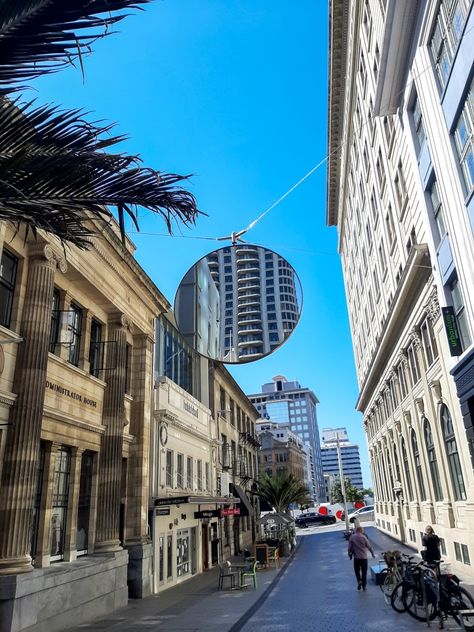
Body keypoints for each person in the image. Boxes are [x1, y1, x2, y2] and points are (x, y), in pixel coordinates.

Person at [348, 526, 375, 591]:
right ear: (360, 530)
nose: (363, 531)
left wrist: (349, 554)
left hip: (356, 558)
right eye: (363, 530)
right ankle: (364, 586)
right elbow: (369, 547)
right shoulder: (364, 537)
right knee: (364, 572)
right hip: (364, 558)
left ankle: (359, 581)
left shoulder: (352, 537)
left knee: (357, 571)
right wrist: (372, 554)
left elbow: (349, 548)